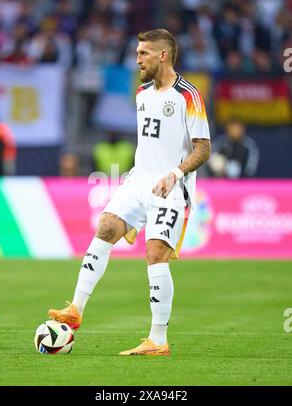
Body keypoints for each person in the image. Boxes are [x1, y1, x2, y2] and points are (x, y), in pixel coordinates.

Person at [48, 29, 211, 356]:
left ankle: (158, 340)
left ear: (162, 55)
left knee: (155, 254)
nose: (136, 59)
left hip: (171, 188)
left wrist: (175, 173)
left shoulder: (188, 95)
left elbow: (203, 148)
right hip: (138, 182)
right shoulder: (141, 93)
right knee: (106, 227)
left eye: (143, 54)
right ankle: (75, 309)